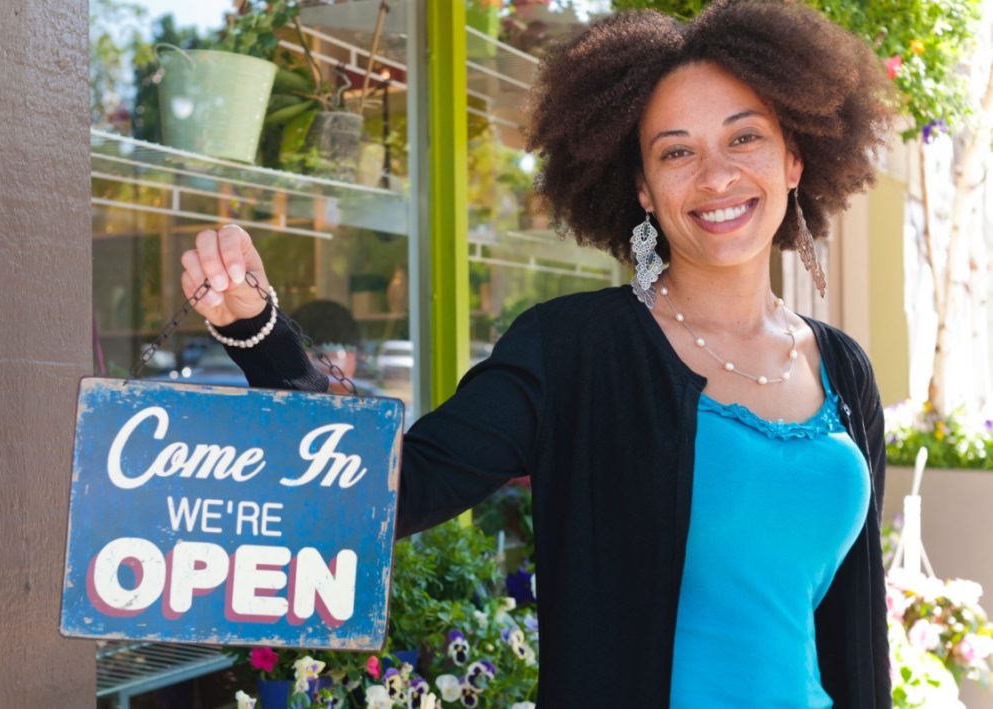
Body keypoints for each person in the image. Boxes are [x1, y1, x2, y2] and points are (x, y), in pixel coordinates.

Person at [178, 1, 895, 705]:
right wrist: (259, 332)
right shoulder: (576, 349)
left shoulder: (842, 367)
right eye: (677, 151)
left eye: (745, 139)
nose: (715, 176)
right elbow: (401, 484)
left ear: (794, 157)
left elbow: (852, 634)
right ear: (643, 188)